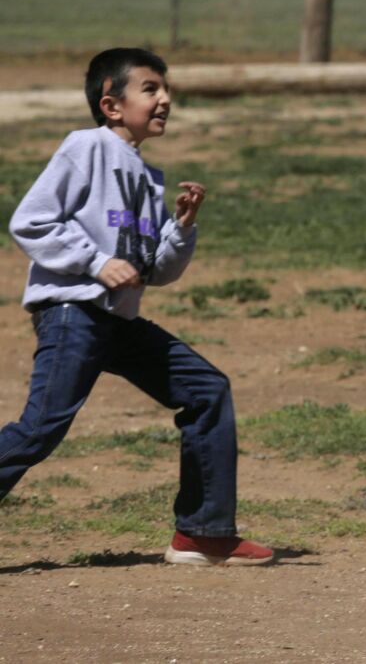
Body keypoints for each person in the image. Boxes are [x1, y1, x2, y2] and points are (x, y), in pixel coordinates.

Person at [0, 48, 272, 567]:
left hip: (117, 321)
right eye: (150, 89)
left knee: (206, 390)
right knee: (39, 430)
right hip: (72, 311)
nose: (165, 98)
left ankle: (203, 532)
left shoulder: (148, 177)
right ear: (112, 104)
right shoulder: (87, 147)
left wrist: (182, 228)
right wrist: (95, 262)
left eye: (166, 89)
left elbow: (156, 271)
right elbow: (31, 221)